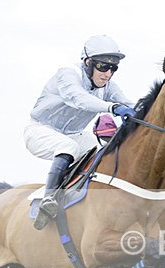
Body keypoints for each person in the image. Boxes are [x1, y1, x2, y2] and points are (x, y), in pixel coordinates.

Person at [24, 34, 138, 230]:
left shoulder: (108, 86)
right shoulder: (68, 74)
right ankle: (49, 199)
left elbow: (130, 104)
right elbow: (78, 99)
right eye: (103, 66)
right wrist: (112, 108)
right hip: (40, 130)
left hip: (74, 134)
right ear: (88, 63)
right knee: (68, 147)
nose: (107, 73)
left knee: (105, 150)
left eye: (113, 68)